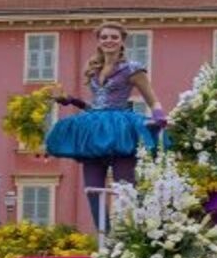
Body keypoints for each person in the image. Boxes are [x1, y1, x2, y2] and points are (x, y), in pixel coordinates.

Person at [45, 21, 166, 225]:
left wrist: (160, 116)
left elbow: (152, 99)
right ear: (99, 42)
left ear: (122, 42)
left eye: (114, 37)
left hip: (120, 129)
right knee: (92, 190)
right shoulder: (94, 69)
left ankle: (130, 232)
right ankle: (105, 236)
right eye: (104, 37)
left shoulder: (132, 69)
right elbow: (95, 105)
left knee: (125, 187)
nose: (109, 40)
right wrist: (69, 100)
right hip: (95, 129)